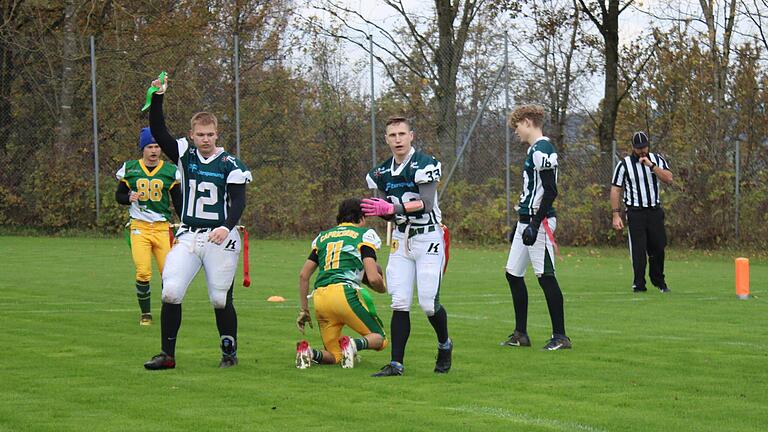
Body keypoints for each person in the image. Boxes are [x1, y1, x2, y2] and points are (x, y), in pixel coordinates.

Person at [143, 74, 252, 370]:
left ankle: (229, 351)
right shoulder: (184, 154)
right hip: (189, 235)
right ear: (192, 135)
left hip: (221, 237)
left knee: (219, 299)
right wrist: (157, 96)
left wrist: (225, 226)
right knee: (170, 291)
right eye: (200, 135)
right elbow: (158, 130)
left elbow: (239, 201)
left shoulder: (230, 164)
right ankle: (167, 355)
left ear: (217, 135)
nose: (205, 140)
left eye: (210, 135)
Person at [362, 115, 452, 377]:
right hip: (400, 239)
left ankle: (444, 344)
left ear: (411, 136)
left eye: (402, 134)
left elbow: (424, 202)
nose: (397, 139)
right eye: (392, 135)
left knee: (427, 303)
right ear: (386, 139)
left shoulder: (425, 164)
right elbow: (385, 210)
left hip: (428, 237)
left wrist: (394, 207)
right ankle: (396, 363)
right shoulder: (380, 172)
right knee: (399, 301)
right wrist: (381, 211)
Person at [501, 104, 571, 351]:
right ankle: (521, 334)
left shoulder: (543, 149)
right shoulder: (534, 150)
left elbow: (551, 191)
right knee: (513, 273)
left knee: (545, 276)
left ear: (528, 122)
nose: (516, 132)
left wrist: (533, 222)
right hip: (527, 220)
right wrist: (519, 222)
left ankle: (561, 336)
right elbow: (533, 192)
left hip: (539, 222)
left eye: (517, 126)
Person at [295, 198, 388, 369]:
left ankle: (307, 352)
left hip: (321, 298)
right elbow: (374, 278)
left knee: (335, 355)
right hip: (344, 294)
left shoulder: (323, 237)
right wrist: (383, 289)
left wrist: (304, 309)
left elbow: (303, 275)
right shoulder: (364, 235)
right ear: (361, 218)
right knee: (380, 339)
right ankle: (354, 345)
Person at [115, 128, 181, 326]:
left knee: (168, 273)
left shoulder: (170, 171)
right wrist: (128, 197)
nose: (154, 151)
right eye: (150, 146)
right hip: (139, 227)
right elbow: (119, 196)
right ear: (143, 148)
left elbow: (178, 201)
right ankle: (145, 314)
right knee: (143, 271)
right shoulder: (131, 168)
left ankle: (168, 311)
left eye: (157, 146)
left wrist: (186, 221)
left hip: (162, 228)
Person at [610, 131, 673, 293]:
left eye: (644, 147)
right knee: (638, 250)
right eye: (638, 149)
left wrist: (651, 166)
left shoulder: (657, 159)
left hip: (654, 211)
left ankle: (659, 280)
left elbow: (668, 178)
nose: (642, 151)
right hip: (635, 212)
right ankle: (639, 283)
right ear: (633, 148)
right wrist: (616, 214)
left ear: (648, 146)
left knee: (659, 247)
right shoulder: (624, 165)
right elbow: (616, 190)